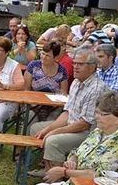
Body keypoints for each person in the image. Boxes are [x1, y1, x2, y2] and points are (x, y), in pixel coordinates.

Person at [29, 48, 108, 177]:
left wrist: (53, 132)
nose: (75, 67)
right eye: (74, 63)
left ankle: (60, 177)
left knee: (53, 140)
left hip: (88, 134)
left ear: (93, 67)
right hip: (72, 125)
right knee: (36, 128)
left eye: (80, 64)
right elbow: (67, 113)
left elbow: (85, 124)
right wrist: (48, 129)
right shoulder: (76, 82)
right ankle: (48, 167)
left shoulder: (96, 88)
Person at [24, 41, 69, 121]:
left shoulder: (62, 71)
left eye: (48, 55)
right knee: (30, 117)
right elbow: (26, 89)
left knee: (50, 122)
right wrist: (32, 104)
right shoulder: (33, 66)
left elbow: (63, 93)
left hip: (53, 107)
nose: (43, 57)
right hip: (33, 104)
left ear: (55, 58)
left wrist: (55, 104)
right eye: (43, 53)